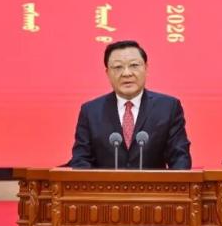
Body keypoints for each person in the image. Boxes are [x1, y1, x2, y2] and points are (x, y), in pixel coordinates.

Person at [68, 40, 191, 169]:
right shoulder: (91, 111)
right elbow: (81, 159)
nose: (126, 73)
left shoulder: (168, 108)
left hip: (153, 183)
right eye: (118, 67)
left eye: (134, 65)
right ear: (107, 73)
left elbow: (180, 158)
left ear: (146, 68)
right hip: (103, 183)